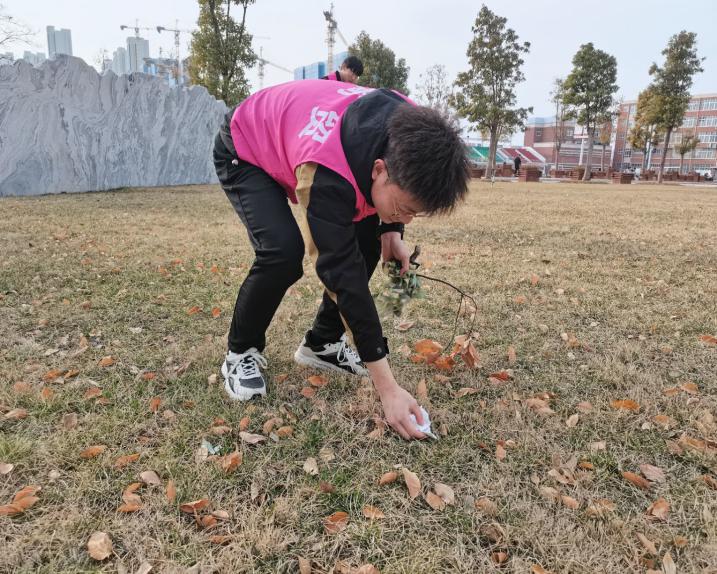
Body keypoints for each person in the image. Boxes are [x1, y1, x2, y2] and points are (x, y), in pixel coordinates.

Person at [212, 79, 470, 440]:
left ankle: (322, 344)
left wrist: (392, 229)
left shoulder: (413, 126)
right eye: (404, 209)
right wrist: (387, 388)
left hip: (312, 144)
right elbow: (341, 276)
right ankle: (241, 351)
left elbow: (391, 198)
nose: (409, 219)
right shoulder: (327, 175)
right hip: (246, 144)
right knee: (282, 253)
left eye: (416, 213)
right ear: (379, 170)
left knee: (367, 243)